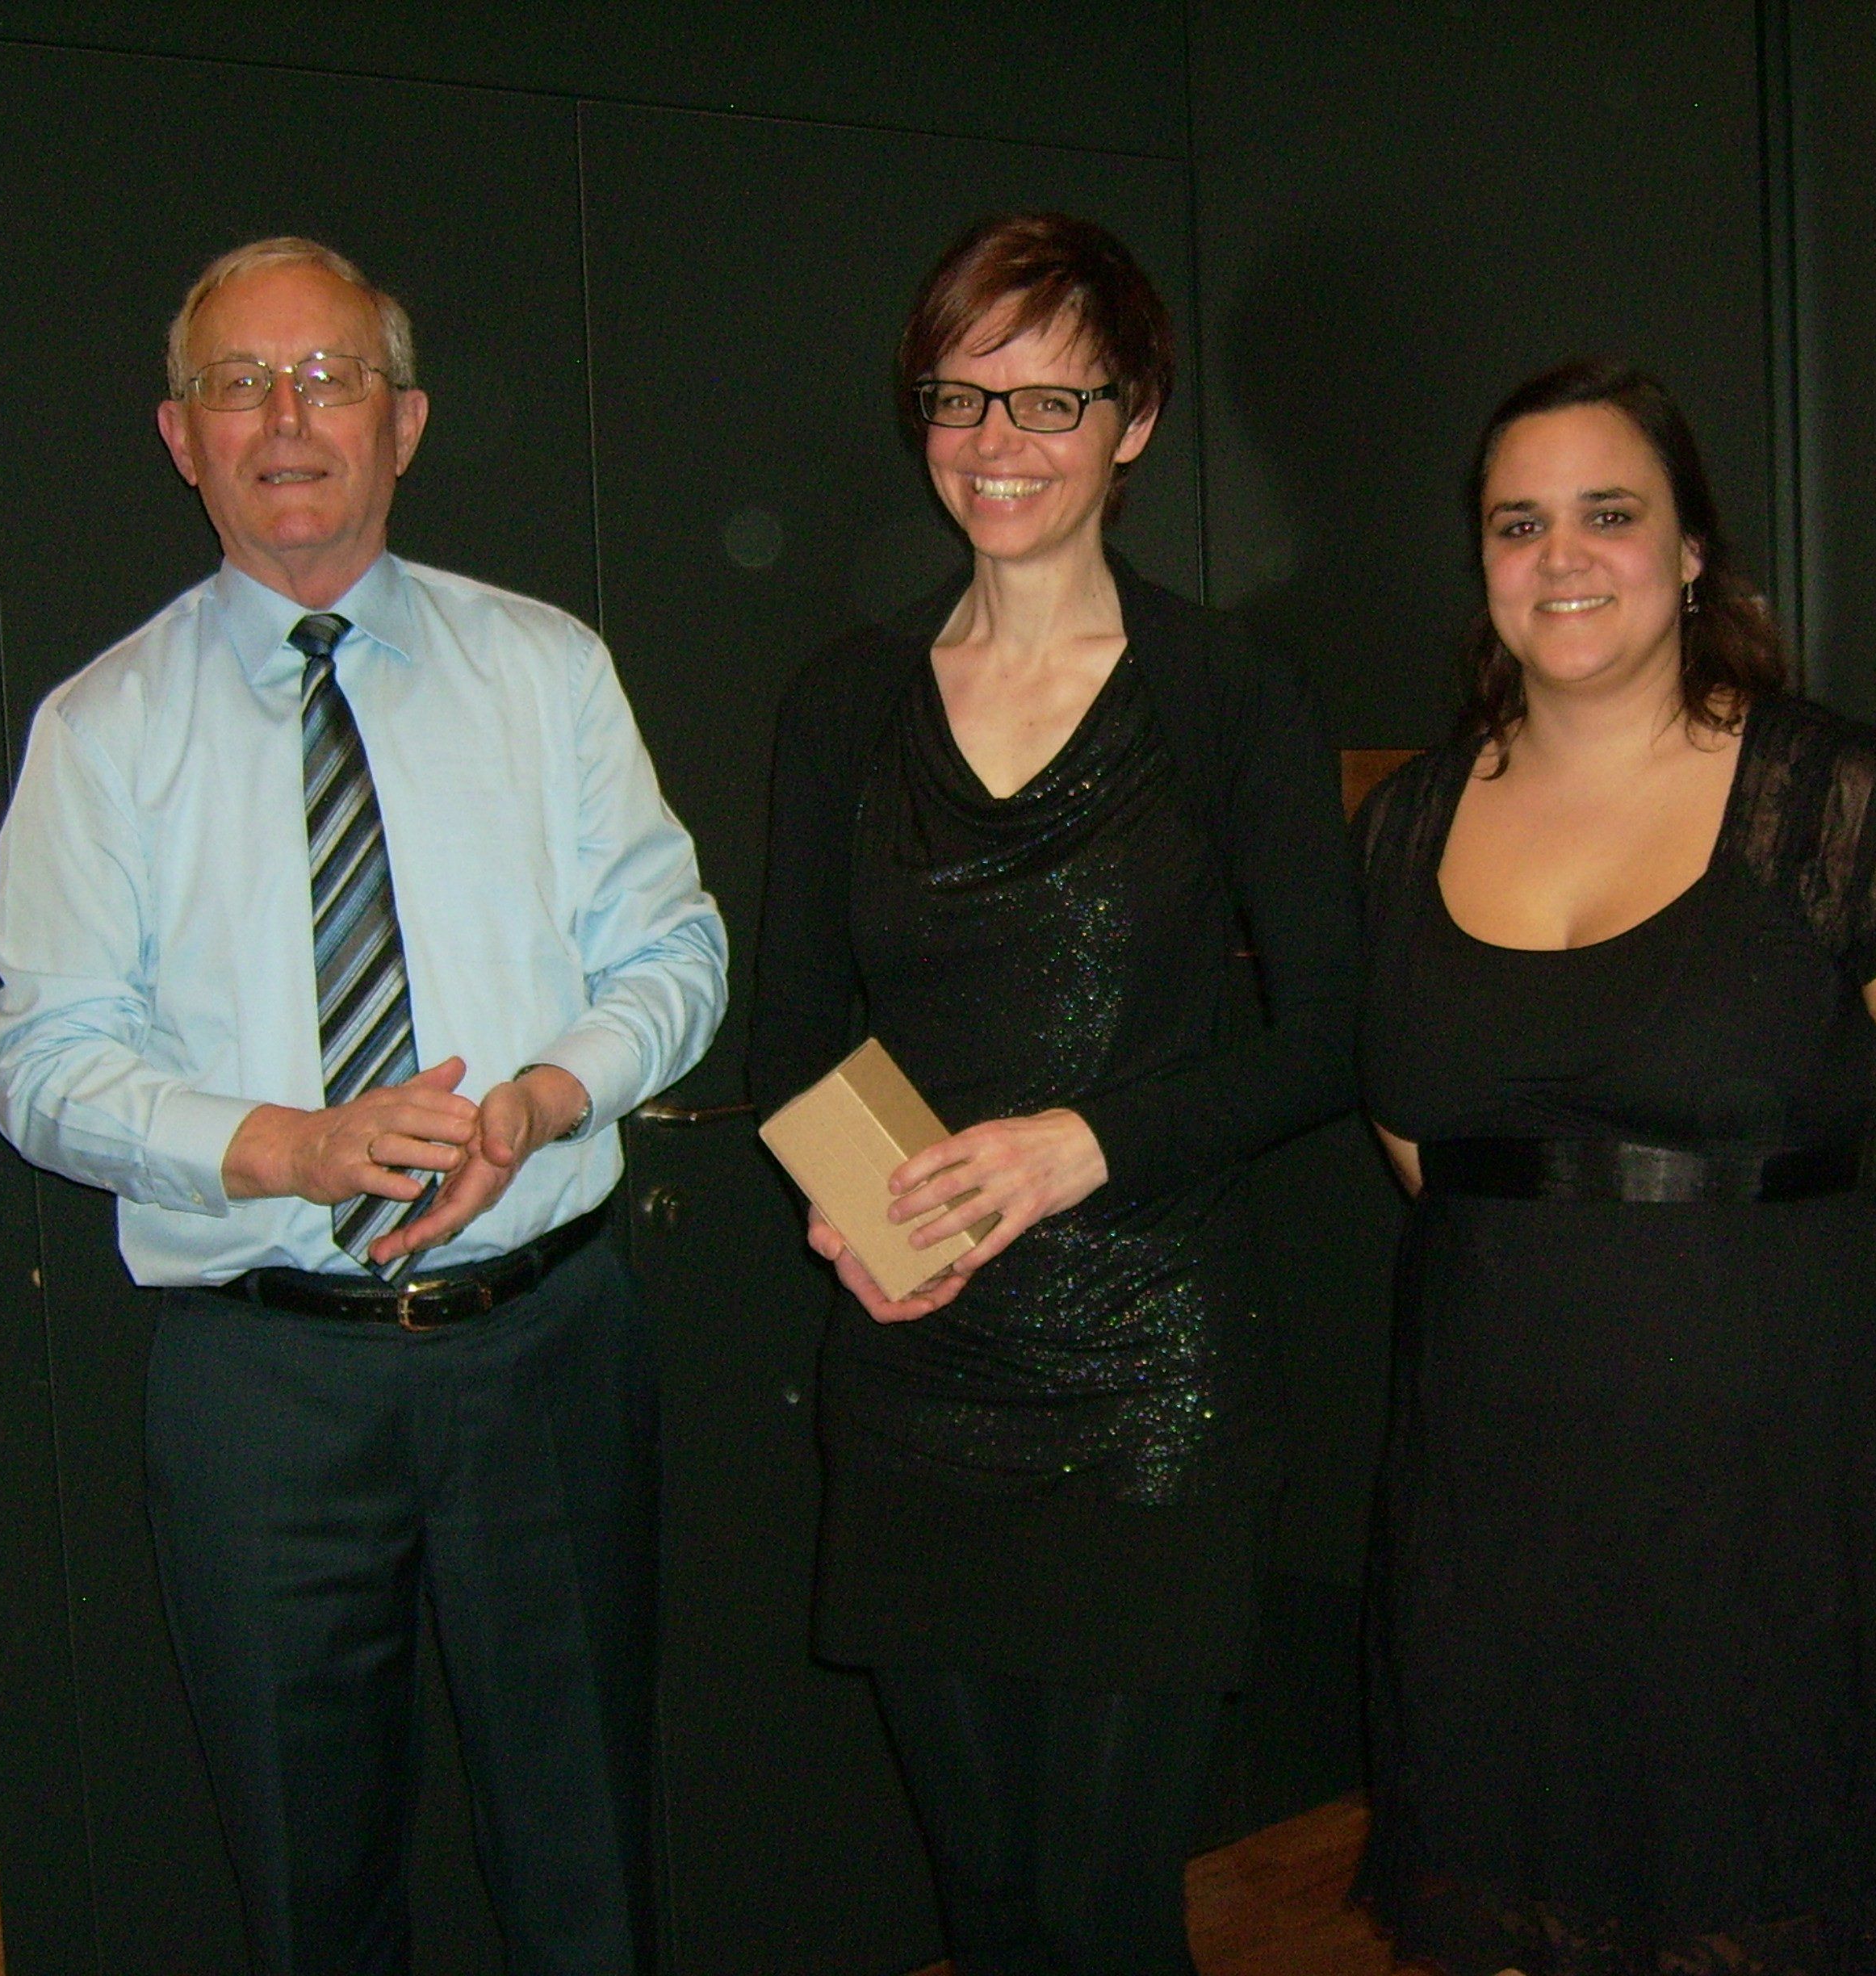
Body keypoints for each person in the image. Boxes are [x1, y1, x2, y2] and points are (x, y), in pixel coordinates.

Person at [0, 237, 727, 1973]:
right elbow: (42, 1062)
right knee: (310, 1892)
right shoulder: (101, 730)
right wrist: (287, 1149)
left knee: (588, 1870)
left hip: (545, 1354)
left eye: (327, 378)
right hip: (263, 1389)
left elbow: (676, 954)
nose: (285, 419)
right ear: (180, 435)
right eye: (237, 384)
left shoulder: (545, 670)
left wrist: (544, 1101)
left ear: (405, 421)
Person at [1354, 358, 1876, 1976]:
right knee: (1520, 1888)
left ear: (1689, 553)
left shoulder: (1836, 802)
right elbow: (1417, 1128)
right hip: (1489, 1478)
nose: (1562, 557)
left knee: (1745, 1895)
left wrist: (1806, 1331)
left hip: (1760, 1484)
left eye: (1610, 513)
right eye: (1518, 523)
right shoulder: (1403, 826)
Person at [748, 211, 1360, 1974]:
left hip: (1152, 1378)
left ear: (1135, 419)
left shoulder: (1227, 691)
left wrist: (1086, 1144)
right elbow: (791, 1035)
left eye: (1049, 402)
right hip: (916, 1365)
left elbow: (1333, 1035)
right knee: (992, 1900)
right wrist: (859, 1212)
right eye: (960, 397)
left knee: (1103, 1915)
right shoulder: (846, 702)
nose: (995, 444)